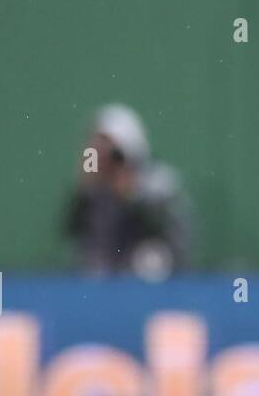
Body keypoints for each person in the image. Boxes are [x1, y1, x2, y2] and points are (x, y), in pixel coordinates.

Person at [65, 103, 194, 278]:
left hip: (153, 272)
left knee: (150, 260)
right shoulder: (96, 189)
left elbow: (175, 235)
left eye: (109, 147)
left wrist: (132, 195)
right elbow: (72, 230)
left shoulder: (158, 182)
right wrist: (86, 188)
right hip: (106, 274)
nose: (103, 156)